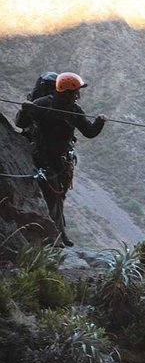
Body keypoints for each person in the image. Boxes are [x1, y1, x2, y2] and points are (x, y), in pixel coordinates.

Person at [15, 72, 106, 247]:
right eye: (75, 92)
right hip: (43, 159)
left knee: (58, 198)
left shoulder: (73, 110)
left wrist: (99, 123)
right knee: (51, 198)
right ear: (66, 92)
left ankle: (60, 234)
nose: (78, 96)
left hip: (61, 161)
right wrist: (25, 111)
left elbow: (89, 131)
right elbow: (21, 123)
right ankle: (54, 238)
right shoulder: (44, 105)